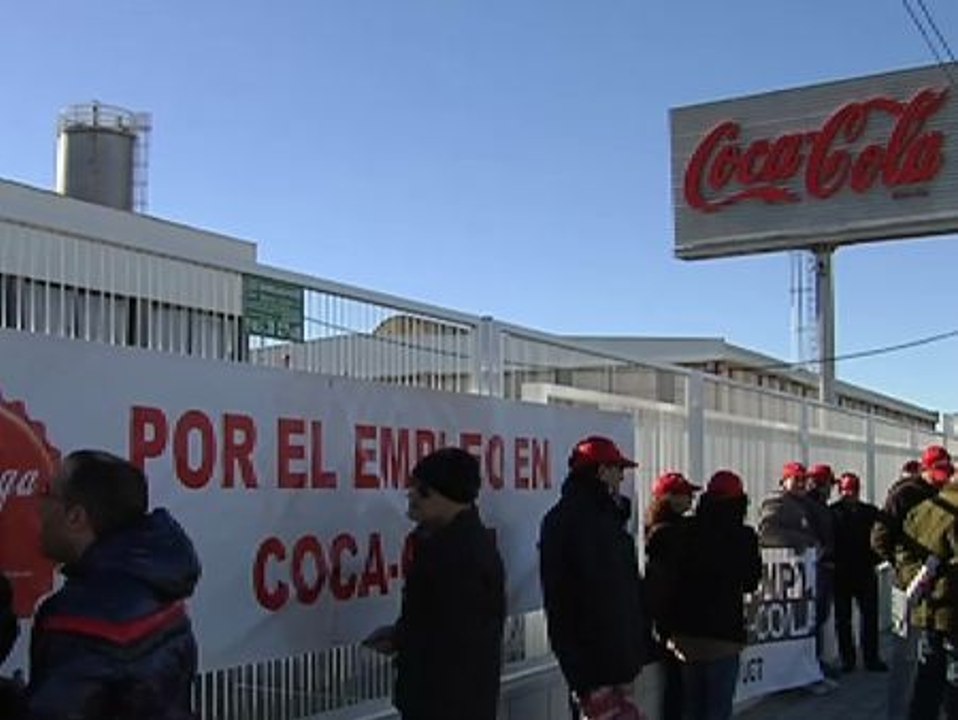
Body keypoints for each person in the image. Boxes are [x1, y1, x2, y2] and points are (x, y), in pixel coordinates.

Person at [27, 449, 201, 720]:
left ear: (76, 518)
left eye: (47, 492)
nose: (38, 505)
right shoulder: (159, 587)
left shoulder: (77, 617)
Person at [364, 447, 505, 720]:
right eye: (412, 487)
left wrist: (403, 638)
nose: (412, 496)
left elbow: (452, 638)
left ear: (452, 496)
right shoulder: (446, 544)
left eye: (424, 490)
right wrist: (400, 636)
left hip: (447, 706)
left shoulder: (461, 556)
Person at [539, 436, 650, 720]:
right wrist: (583, 675)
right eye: (618, 469)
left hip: (609, 662)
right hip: (597, 666)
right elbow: (565, 602)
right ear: (601, 471)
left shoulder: (605, 518)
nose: (622, 476)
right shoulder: (579, 522)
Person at [669, 470, 761, 720]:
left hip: (685, 633)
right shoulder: (744, 537)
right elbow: (752, 582)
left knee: (691, 706)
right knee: (717, 709)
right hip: (723, 635)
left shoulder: (683, 531)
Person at [872, 453, 945, 720]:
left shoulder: (935, 495)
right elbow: (880, 537)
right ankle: (898, 712)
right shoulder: (904, 495)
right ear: (925, 469)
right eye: (939, 471)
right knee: (904, 653)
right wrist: (905, 568)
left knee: (927, 653)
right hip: (906, 586)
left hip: (930, 586)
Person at [898, 447, 958, 720]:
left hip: (928, 607)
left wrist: (914, 579)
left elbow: (901, 551)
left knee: (928, 675)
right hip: (952, 608)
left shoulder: (921, 510)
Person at [644, 471, 700, 720]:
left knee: (679, 685)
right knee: (679, 686)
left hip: (672, 619)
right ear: (669, 498)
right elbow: (666, 581)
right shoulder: (669, 534)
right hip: (676, 621)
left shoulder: (664, 531)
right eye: (685, 495)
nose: (690, 500)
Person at [830, 471, 886, 672]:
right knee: (842, 619)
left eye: (851, 490)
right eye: (845, 490)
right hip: (842, 572)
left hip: (863, 570)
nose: (848, 494)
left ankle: (871, 658)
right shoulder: (832, 513)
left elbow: (881, 538)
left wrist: (875, 560)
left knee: (869, 617)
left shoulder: (870, 512)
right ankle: (848, 659)